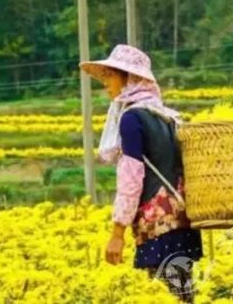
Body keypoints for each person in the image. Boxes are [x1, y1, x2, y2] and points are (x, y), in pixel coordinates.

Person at [84, 45, 203, 302]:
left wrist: (117, 233)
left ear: (130, 79)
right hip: (183, 220)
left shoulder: (132, 118)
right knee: (183, 294)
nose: (106, 83)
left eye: (110, 76)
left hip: (157, 224)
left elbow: (131, 177)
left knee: (163, 295)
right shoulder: (168, 118)